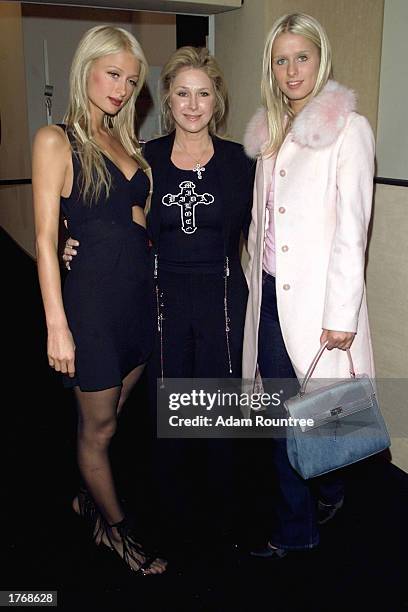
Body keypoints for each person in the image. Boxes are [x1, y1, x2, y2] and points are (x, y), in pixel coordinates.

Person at [64, 46, 255, 542]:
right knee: (167, 406)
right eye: (182, 94)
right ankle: (171, 510)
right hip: (161, 296)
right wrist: (72, 239)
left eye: (204, 94)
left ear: (218, 100)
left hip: (222, 298)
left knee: (216, 405)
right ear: (166, 99)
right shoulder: (144, 158)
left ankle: (222, 510)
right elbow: (107, 209)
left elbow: (270, 230)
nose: (193, 105)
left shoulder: (242, 162)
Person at [32, 25, 166, 575]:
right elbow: (42, 239)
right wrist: (56, 325)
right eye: (112, 74)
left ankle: (89, 491)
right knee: (100, 429)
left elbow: (136, 226)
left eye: (131, 81)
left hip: (135, 301)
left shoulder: (125, 142)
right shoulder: (54, 140)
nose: (121, 88)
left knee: (110, 418)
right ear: (85, 67)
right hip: (90, 308)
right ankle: (116, 532)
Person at [242, 13, 375, 557]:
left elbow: (353, 228)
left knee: (320, 413)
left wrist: (340, 315)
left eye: (302, 57)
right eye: (281, 59)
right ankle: (320, 498)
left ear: (321, 61)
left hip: (321, 305)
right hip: (270, 295)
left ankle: (295, 532)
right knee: (285, 416)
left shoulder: (350, 129)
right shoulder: (269, 133)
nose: (292, 70)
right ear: (270, 68)